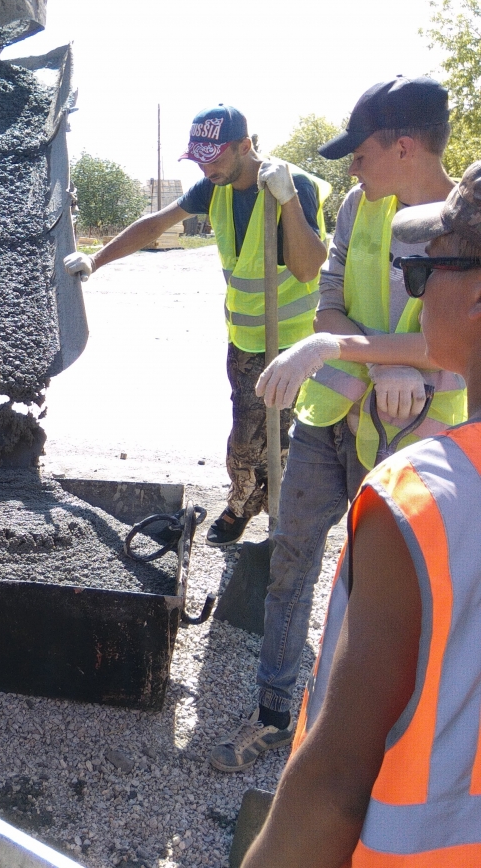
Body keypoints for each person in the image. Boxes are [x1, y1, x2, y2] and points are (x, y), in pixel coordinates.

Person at [208, 77, 466, 773]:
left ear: (405, 147)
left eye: (361, 154)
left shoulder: (464, 226)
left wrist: (405, 362)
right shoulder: (359, 206)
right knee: (292, 557)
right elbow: (326, 307)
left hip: (414, 444)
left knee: (378, 590)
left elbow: (462, 344)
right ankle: (272, 712)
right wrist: (378, 360)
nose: (350, 168)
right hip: (332, 418)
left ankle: (358, 738)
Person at [240, 161, 481, 868]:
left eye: (425, 273)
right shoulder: (352, 207)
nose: (417, 290)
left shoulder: (428, 504)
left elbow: (333, 786)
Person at [64, 105, 330, 547]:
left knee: (274, 437)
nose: (207, 168)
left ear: (246, 146)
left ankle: (273, 516)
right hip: (245, 339)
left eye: (215, 157)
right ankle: (253, 502)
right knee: (252, 434)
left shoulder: (290, 183)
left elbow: (308, 268)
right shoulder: (215, 187)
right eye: (200, 159)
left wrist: (288, 201)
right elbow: (155, 225)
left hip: (292, 342)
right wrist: (97, 259)